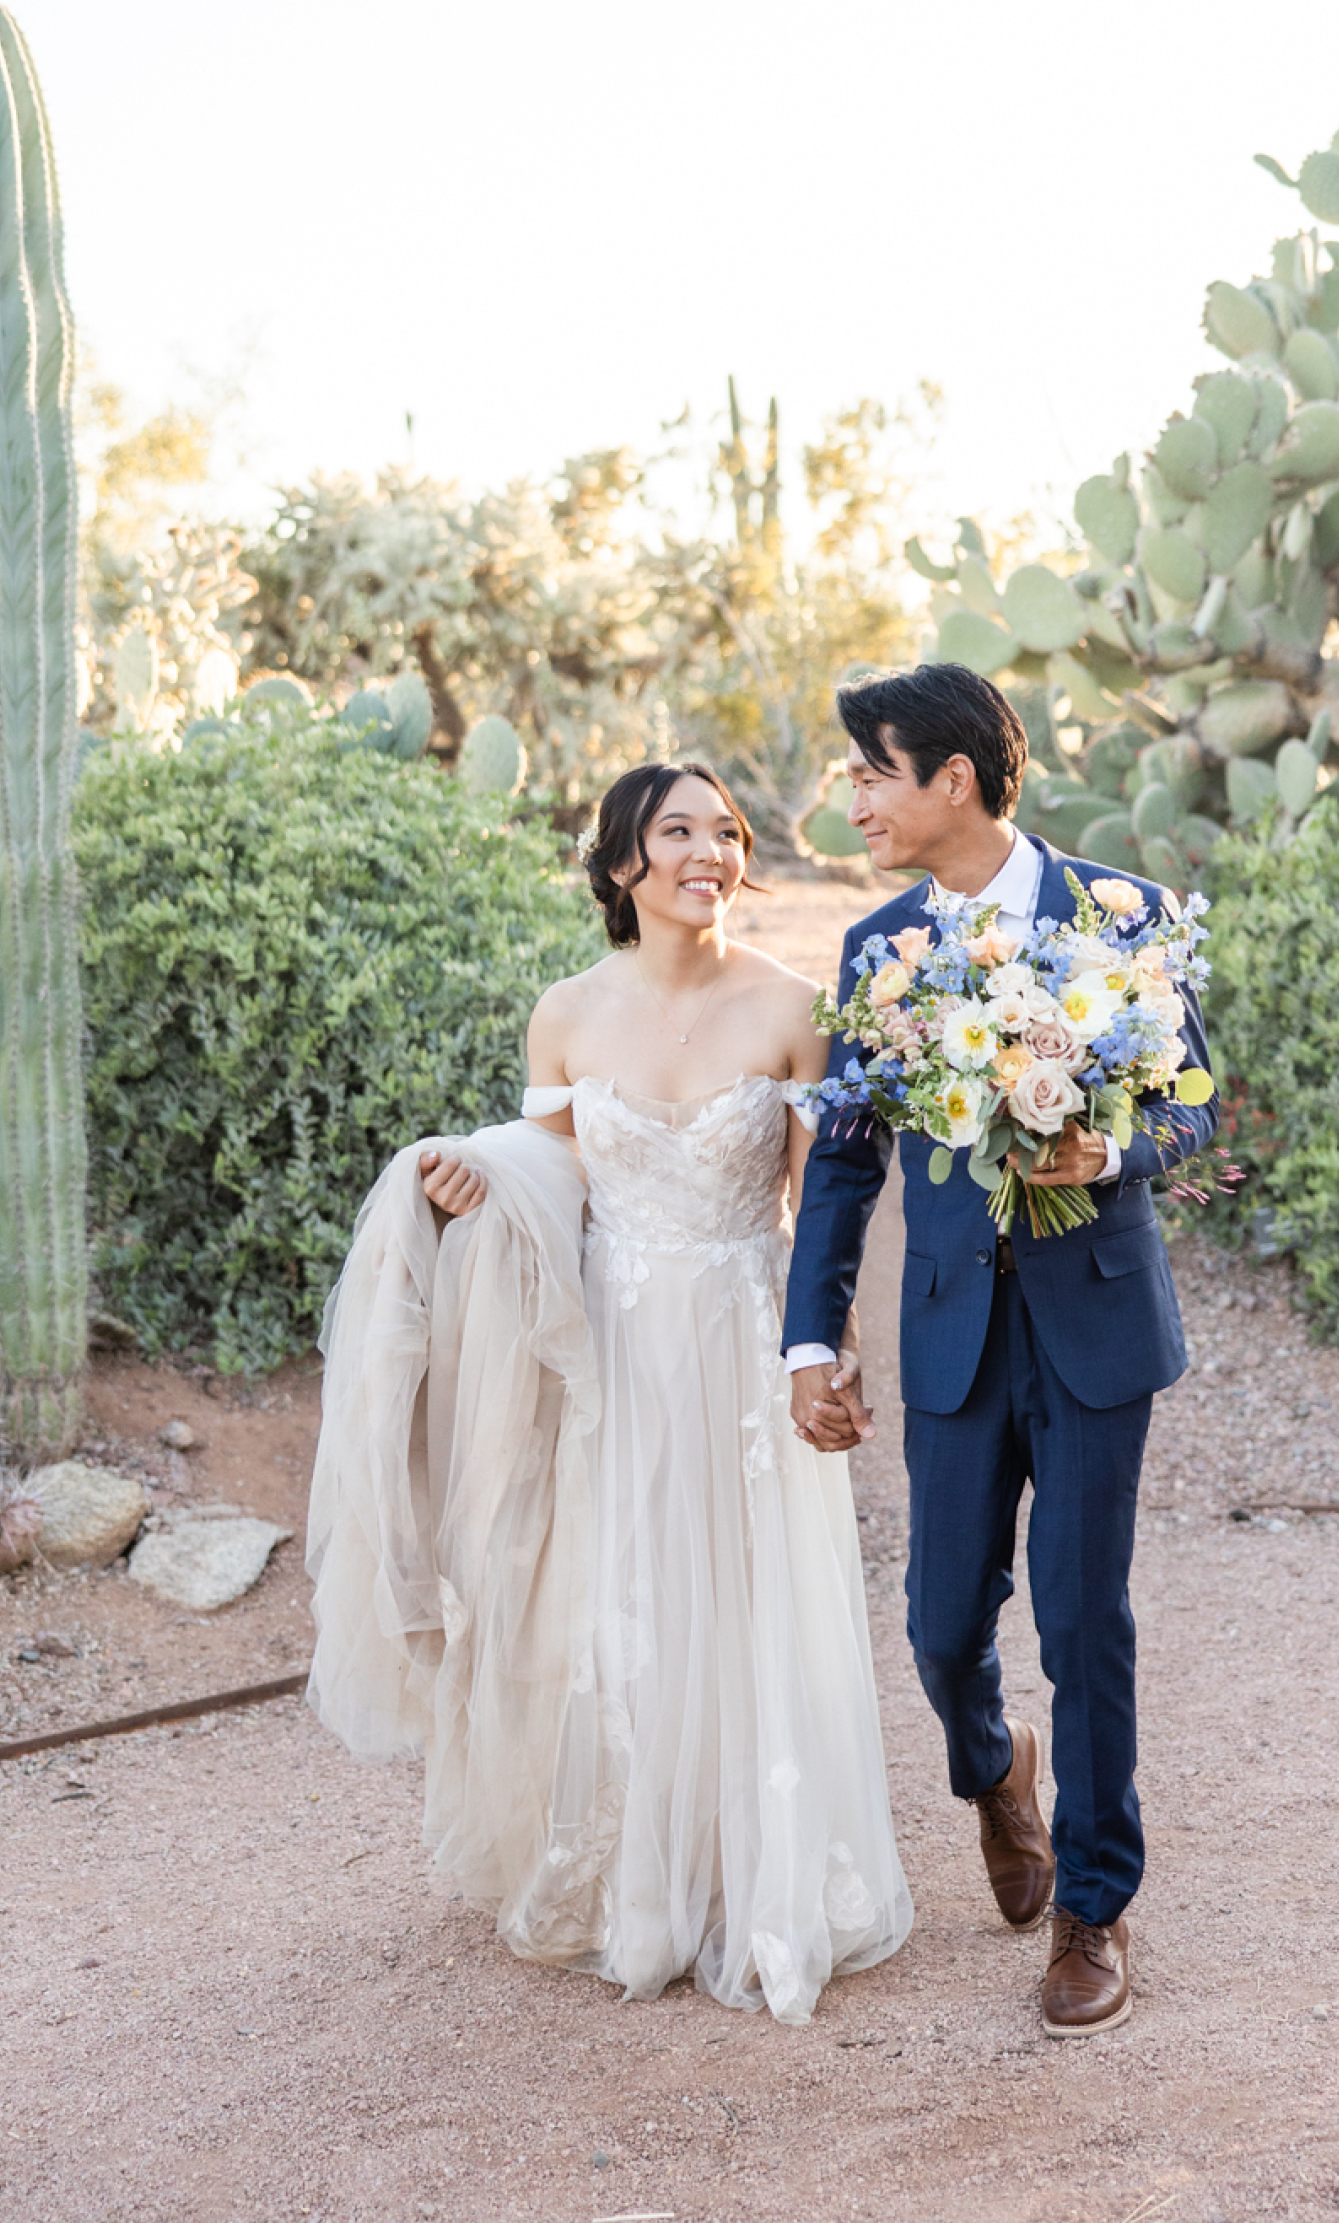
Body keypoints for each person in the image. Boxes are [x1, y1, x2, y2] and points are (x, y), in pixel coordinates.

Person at [306, 761, 911, 2024]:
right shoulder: (567, 1013)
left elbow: (826, 1213)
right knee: (626, 1592)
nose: (711, 850)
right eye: (677, 829)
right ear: (623, 861)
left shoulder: (799, 1005)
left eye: (728, 831)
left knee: (751, 1596)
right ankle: (645, 1880)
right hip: (619, 1347)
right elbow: (559, 1165)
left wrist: (828, 1348)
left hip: (748, 1340)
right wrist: (474, 1168)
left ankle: (765, 1878)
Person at [783, 663, 1216, 2038]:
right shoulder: (876, 949)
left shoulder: (1121, 913)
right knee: (939, 1622)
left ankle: (1095, 1903)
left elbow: (1193, 1105)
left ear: (951, 778)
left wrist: (1115, 1144)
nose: (856, 799)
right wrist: (813, 1331)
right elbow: (846, 1166)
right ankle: (994, 1768)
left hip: (1095, 1314)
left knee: (1085, 1614)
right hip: (953, 1330)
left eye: (872, 772)